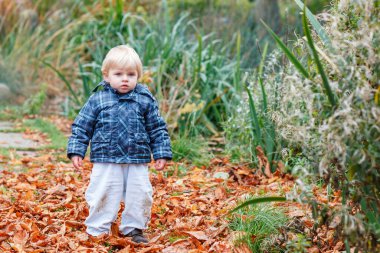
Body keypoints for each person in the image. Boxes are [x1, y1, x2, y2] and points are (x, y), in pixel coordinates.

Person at [67, 45, 172, 243]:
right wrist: (76, 151)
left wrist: (161, 152)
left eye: (131, 74)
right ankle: (98, 229)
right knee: (103, 191)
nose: (125, 78)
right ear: (107, 76)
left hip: (137, 158)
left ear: (138, 76)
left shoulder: (145, 99)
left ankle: (134, 228)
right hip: (106, 157)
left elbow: (157, 127)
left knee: (140, 193)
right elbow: (82, 126)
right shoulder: (98, 99)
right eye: (119, 74)